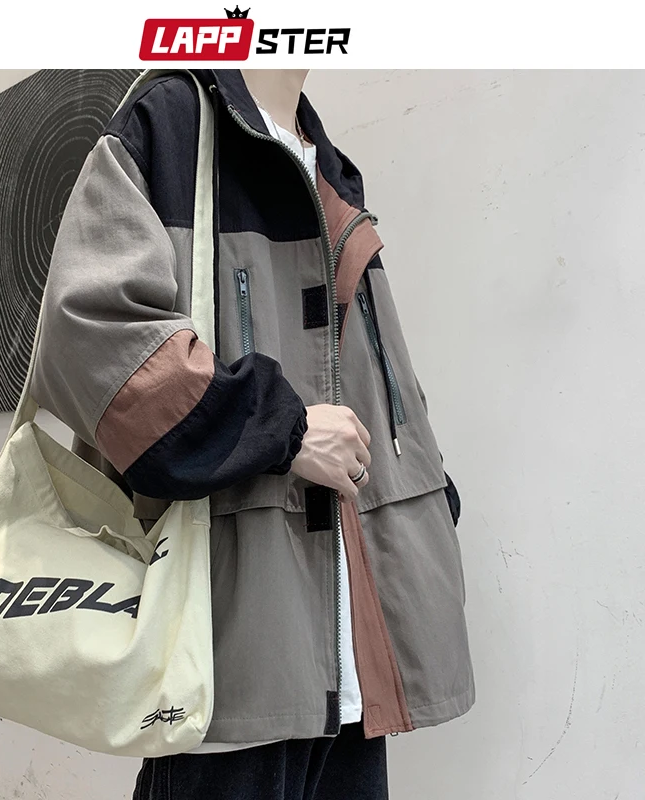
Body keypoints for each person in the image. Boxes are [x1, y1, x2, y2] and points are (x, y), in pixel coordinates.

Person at [30, 68, 474, 799]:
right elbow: (92, 339)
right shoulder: (170, 124)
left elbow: (376, 382)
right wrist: (283, 431)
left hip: (354, 658)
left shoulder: (330, 170)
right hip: (232, 647)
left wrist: (431, 513)